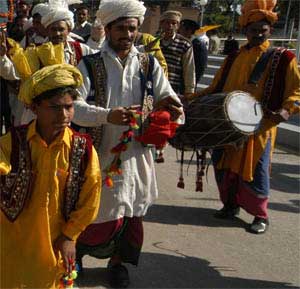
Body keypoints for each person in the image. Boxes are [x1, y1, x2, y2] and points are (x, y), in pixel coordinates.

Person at [72, 0, 183, 287]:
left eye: (131, 28)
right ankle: (76, 257)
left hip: (136, 154)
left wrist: (168, 114)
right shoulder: (89, 63)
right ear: (107, 28)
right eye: (120, 28)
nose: (127, 33)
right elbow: (73, 107)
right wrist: (107, 115)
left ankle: (118, 265)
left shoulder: (149, 63)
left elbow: (169, 100)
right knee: (87, 209)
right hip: (98, 152)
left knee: (132, 211)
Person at [188, 0, 300, 234]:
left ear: (270, 30)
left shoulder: (283, 57)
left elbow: (296, 90)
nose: (258, 34)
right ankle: (230, 205)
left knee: (255, 170)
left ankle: (260, 215)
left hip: (260, 126)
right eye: (253, 30)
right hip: (226, 124)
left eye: (263, 30)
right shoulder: (233, 57)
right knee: (223, 166)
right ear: (245, 31)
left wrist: (287, 110)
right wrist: (189, 98)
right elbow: (215, 88)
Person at [0, 63, 101, 289]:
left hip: (55, 243)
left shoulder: (81, 148)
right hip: (13, 240)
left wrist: (69, 237)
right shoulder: (13, 142)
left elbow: (90, 199)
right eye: (55, 108)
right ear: (35, 107)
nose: (64, 115)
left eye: (69, 107)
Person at [159, 10, 196, 97]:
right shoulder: (154, 41)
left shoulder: (185, 44)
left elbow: (189, 69)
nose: (170, 26)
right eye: (167, 22)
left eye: (174, 23)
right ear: (161, 24)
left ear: (178, 26)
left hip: (173, 88)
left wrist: (189, 90)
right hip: (154, 85)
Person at [178, 19, 208, 84]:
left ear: (189, 31)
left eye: (180, 29)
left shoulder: (198, 45)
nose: (178, 31)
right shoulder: (182, 42)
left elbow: (199, 69)